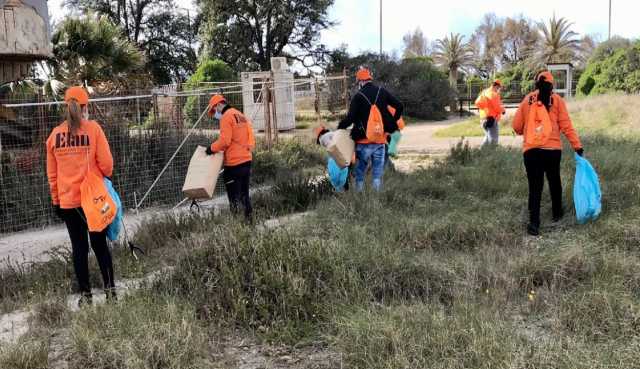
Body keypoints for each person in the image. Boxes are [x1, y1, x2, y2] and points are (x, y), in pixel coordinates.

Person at [46, 86, 116, 306]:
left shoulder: (54, 136)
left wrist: (56, 200)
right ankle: (111, 293)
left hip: (68, 202)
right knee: (100, 246)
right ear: (86, 106)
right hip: (93, 201)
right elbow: (108, 166)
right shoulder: (93, 129)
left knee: (79, 249)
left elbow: (52, 174)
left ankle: (86, 298)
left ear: (66, 107)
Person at [512, 71, 584, 236]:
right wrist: (577, 146)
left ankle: (534, 223)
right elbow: (566, 125)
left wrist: (529, 129)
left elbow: (516, 126)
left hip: (531, 151)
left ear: (536, 84)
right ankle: (557, 215)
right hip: (552, 151)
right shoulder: (557, 101)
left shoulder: (527, 100)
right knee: (554, 182)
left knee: (535, 186)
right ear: (552, 85)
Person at [337, 68, 403, 191]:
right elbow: (399, 106)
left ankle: (361, 200)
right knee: (377, 176)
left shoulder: (358, 96)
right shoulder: (382, 92)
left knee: (360, 175)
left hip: (363, 143)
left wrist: (339, 128)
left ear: (360, 81)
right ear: (369, 79)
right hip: (380, 141)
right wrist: (391, 121)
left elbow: (350, 118)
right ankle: (376, 200)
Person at [205, 94, 255, 221]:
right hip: (246, 161)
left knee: (234, 199)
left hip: (234, 165)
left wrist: (211, 148)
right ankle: (249, 223)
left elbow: (225, 141)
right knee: (245, 196)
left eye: (214, 110)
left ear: (219, 105)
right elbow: (250, 136)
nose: (215, 113)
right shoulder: (240, 115)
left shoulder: (226, 117)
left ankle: (237, 227)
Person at [475, 79, 506, 146]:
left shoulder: (485, 92)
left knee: (487, 138)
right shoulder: (494, 94)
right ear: (496, 86)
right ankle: (492, 155)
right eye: (498, 87)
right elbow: (497, 107)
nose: (498, 89)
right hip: (491, 119)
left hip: (483, 119)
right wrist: (503, 110)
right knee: (493, 140)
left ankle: (480, 153)